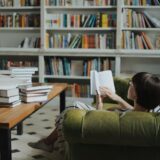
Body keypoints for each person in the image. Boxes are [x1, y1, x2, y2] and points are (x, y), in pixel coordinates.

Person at [28, 72, 160, 153]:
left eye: (132, 84)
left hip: (100, 125)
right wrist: (117, 98)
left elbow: (98, 121)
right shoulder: (148, 112)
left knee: (73, 108)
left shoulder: (124, 119)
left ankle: (48, 142)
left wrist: (99, 101)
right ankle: (48, 142)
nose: (129, 84)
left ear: (137, 95)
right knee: (78, 106)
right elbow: (134, 110)